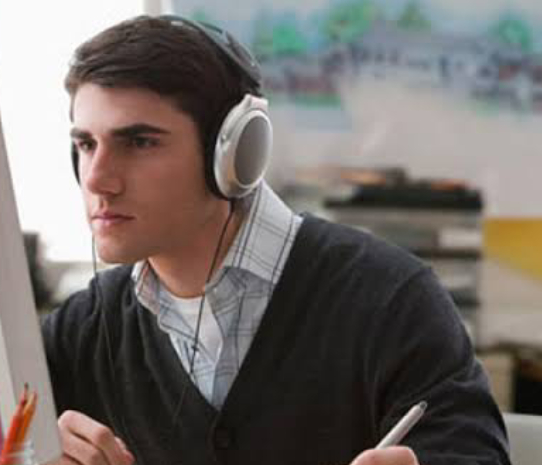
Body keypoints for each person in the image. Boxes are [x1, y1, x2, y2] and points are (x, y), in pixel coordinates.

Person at [41, 15, 509, 465]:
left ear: (234, 155)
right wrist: (24, 446)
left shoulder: (390, 298)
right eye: (85, 145)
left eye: (139, 142)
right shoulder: (84, 327)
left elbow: (474, 452)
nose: (98, 179)